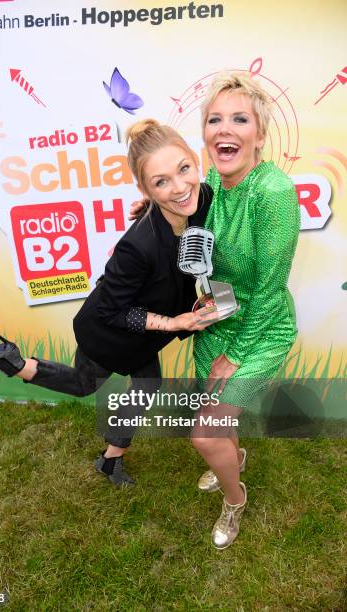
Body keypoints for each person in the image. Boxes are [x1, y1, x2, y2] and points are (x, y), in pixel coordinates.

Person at [0, 119, 218, 487]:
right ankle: (11, 361)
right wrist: (174, 323)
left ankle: (110, 461)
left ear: (195, 161)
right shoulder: (136, 246)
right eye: (161, 182)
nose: (180, 187)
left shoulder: (204, 199)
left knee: (147, 383)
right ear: (145, 187)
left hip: (141, 332)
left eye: (184, 169)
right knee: (84, 383)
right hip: (108, 330)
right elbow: (113, 310)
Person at [130, 72, 300, 549]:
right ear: (204, 132)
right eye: (214, 119)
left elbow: (269, 289)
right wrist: (151, 209)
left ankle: (235, 497)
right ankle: (234, 457)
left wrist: (237, 353)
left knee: (204, 434)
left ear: (260, 135)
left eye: (239, 119)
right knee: (219, 422)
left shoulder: (273, 193)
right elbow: (188, 219)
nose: (225, 128)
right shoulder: (209, 182)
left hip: (260, 329)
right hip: (217, 317)